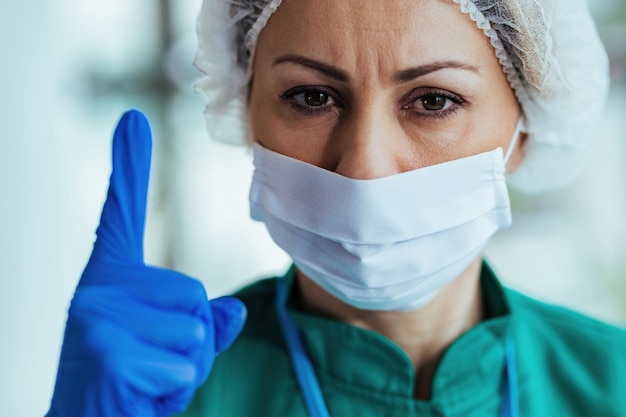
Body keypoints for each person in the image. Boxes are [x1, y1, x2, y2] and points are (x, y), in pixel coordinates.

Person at [46, 0, 626, 416]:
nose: (364, 166)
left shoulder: (613, 385)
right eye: (311, 97)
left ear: (525, 131)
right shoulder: (167, 392)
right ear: (248, 117)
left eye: (433, 100)